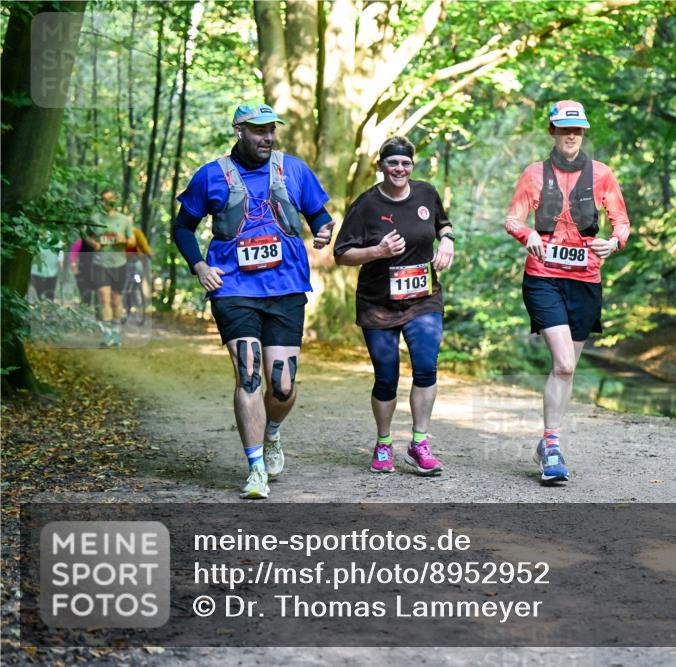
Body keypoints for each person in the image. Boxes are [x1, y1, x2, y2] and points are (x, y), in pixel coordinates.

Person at [171, 102, 336, 499]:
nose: (268, 137)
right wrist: (199, 266)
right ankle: (256, 468)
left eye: (271, 130)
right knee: (248, 374)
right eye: (259, 130)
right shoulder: (211, 175)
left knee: (283, 387)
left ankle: (272, 432)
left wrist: (324, 231)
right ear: (239, 130)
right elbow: (182, 228)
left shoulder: (293, 169)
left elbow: (319, 215)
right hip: (233, 289)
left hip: (286, 288)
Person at [504, 100, 631, 484]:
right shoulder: (534, 174)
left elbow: (622, 222)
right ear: (553, 132)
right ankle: (553, 445)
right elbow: (513, 219)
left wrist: (614, 243)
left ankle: (548, 443)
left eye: (576, 130)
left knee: (568, 369)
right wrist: (528, 234)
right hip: (543, 277)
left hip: (586, 281)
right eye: (564, 129)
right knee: (562, 364)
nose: (571, 136)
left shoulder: (602, 174)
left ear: (583, 133)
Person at [333, 136, 455, 476]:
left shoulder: (426, 193)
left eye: (405, 163)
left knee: (426, 367)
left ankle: (419, 444)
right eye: (393, 163)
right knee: (386, 377)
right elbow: (341, 254)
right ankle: (384, 443)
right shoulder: (366, 205)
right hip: (378, 304)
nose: (399, 169)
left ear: (412, 166)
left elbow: (443, 224)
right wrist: (378, 251)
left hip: (423, 299)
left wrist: (447, 241)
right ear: (381, 166)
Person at [88, 191, 135, 347]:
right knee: (104, 297)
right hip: (100, 263)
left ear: (116, 200)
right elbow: (86, 235)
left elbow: (132, 242)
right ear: (101, 201)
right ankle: (107, 333)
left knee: (117, 300)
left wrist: (124, 241)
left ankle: (115, 332)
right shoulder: (94, 219)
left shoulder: (124, 220)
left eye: (110, 199)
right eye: (104, 199)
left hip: (119, 264)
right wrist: (92, 243)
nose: (107, 202)